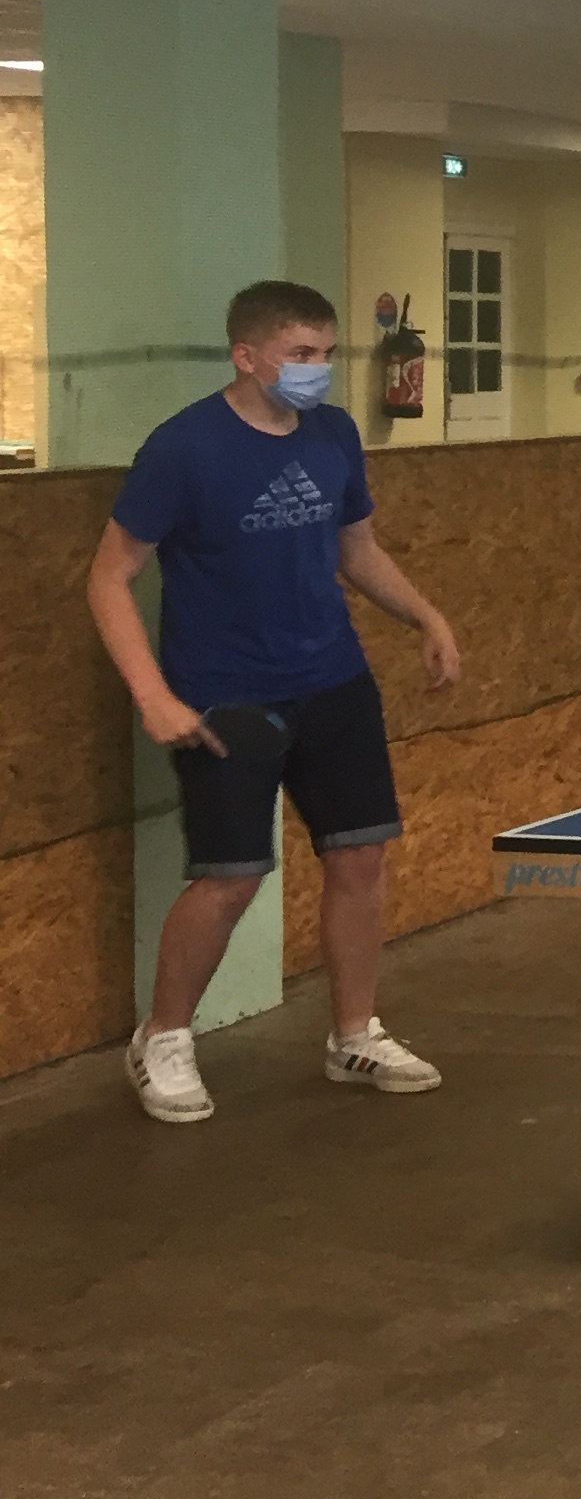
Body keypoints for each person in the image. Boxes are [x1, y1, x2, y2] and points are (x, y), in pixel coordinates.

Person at [87, 280, 464, 1125]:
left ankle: (354, 1035)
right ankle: (162, 1039)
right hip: (226, 694)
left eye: (325, 353)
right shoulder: (182, 448)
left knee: (359, 860)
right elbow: (109, 577)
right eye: (299, 354)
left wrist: (425, 616)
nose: (316, 369)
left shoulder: (334, 433)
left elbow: (356, 549)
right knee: (231, 880)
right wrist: (153, 695)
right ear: (247, 356)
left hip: (333, 680)